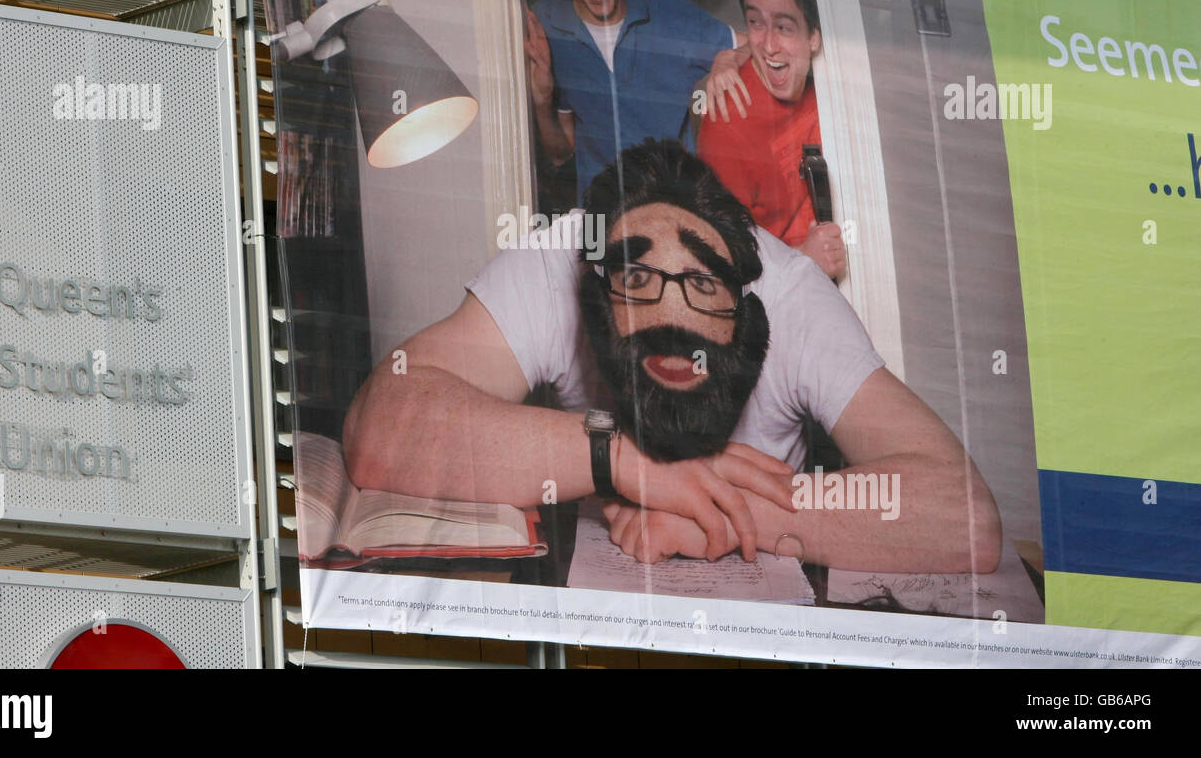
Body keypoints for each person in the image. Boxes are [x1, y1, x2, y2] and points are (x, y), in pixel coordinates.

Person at [343, 140, 1002, 573]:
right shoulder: (560, 260)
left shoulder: (792, 293)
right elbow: (382, 426)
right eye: (639, 291)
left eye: (704, 296)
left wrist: (717, 512)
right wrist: (620, 456)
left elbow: (964, 516)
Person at [524, 0, 746, 206]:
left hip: (674, 210)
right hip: (602, 220)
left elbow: (761, 46)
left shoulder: (666, 10)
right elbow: (560, 154)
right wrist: (543, 100)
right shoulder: (545, 24)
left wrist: (729, 56)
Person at [697, 0, 846, 280]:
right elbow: (720, 266)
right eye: (755, 23)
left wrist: (731, 54)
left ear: (814, 39)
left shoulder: (835, 84)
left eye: (784, 27)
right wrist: (801, 260)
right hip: (782, 298)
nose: (767, 45)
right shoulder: (727, 118)